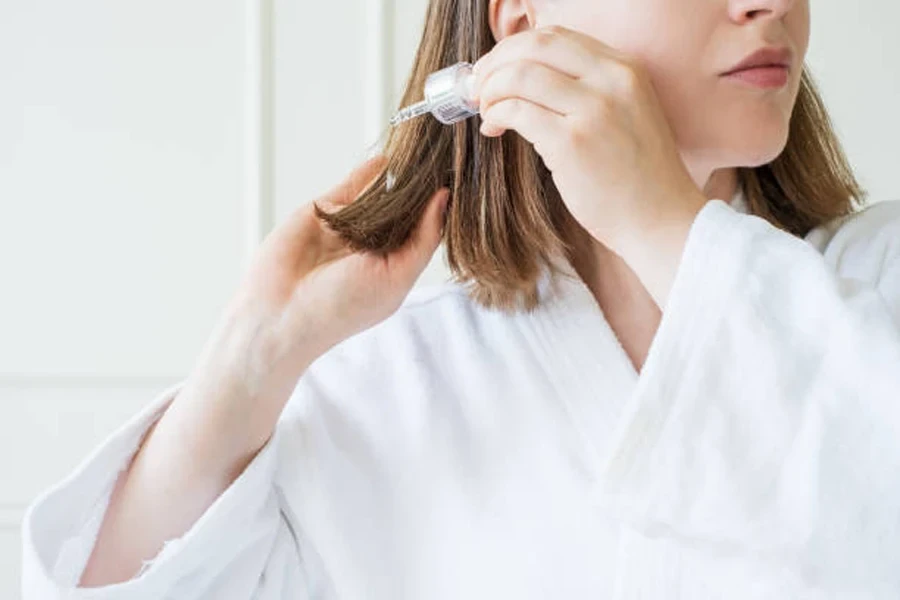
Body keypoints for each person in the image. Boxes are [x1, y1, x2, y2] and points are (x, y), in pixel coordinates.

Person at [21, 0, 900, 598]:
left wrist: (664, 224)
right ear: (522, 18)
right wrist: (249, 361)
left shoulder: (880, 284)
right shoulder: (379, 393)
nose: (770, 4)